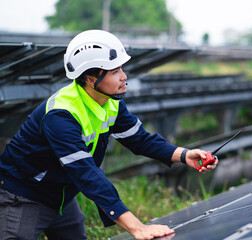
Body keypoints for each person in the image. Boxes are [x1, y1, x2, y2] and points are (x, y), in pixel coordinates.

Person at [0, 29, 218, 240]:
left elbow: (140, 140)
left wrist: (184, 154)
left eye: (121, 68)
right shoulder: (60, 115)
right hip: (24, 195)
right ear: (91, 79)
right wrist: (137, 227)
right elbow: (87, 174)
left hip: (62, 194)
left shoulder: (110, 103)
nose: (124, 76)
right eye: (115, 71)